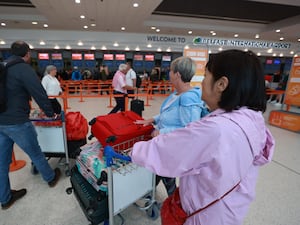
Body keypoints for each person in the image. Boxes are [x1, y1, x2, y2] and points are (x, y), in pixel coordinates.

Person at [131, 49, 275, 225]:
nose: (201, 83)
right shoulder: (252, 121)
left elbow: (169, 151)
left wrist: (132, 150)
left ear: (221, 84)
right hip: (230, 209)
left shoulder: (217, 129)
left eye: (206, 76)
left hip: (206, 215)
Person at [0, 41, 61, 210]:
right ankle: (50, 177)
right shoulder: (23, 69)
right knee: (35, 152)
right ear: (27, 54)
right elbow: (38, 92)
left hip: (1, 121)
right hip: (17, 121)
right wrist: (50, 113)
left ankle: (5, 198)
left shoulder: (2, 66)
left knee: (1, 162)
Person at [135, 56, 209, 196]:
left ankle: (173, 204)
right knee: (158, 169)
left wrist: (162, 131)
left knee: (164, 173)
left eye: (170, 70)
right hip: (165, 144)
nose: (168, 73)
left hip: (172, 145)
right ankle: (152, 192)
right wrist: (152, 119)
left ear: (177, 75)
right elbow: (169, 114)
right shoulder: (177, 93)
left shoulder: (188, 97)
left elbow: (190, 128)